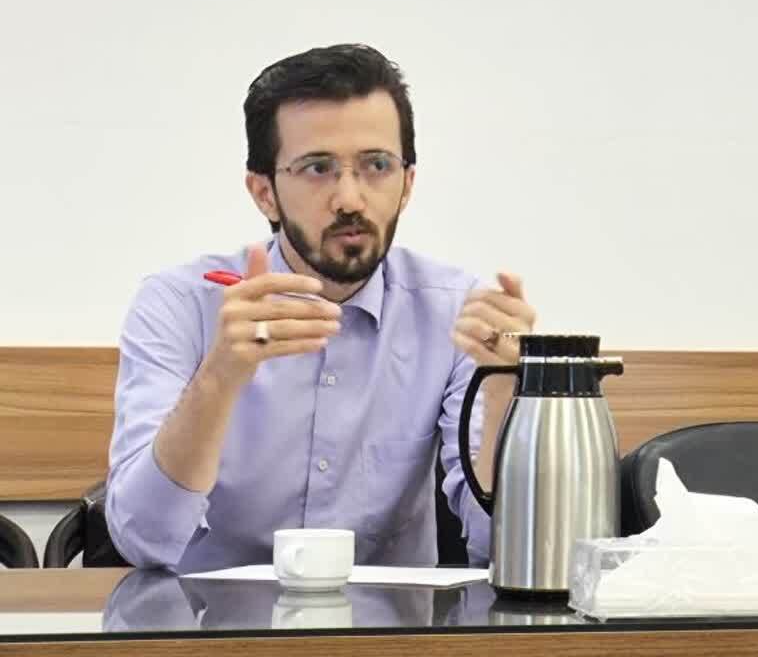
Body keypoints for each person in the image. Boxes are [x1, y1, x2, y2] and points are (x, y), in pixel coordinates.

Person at [106, 44, 536, 571]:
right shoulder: (179, 304)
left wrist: (502, 393)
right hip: (206, 618)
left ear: (407, 184)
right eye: (317, 168)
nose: (350, 199)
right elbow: (143, 541)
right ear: (264, 193)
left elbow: (501, 548)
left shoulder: (457, 315)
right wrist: (219, 378)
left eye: (377, 165)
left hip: (387, 623)